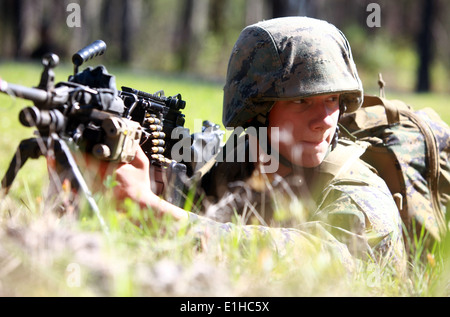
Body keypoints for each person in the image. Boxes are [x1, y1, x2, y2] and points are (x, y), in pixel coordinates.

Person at [106, 17, 407, 273]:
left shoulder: (360, 192)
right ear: (257, 112)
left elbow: (322, 265)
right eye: (302, 100)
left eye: (332, 100)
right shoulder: (240, 163)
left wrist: (155, 210)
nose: (324, 120)